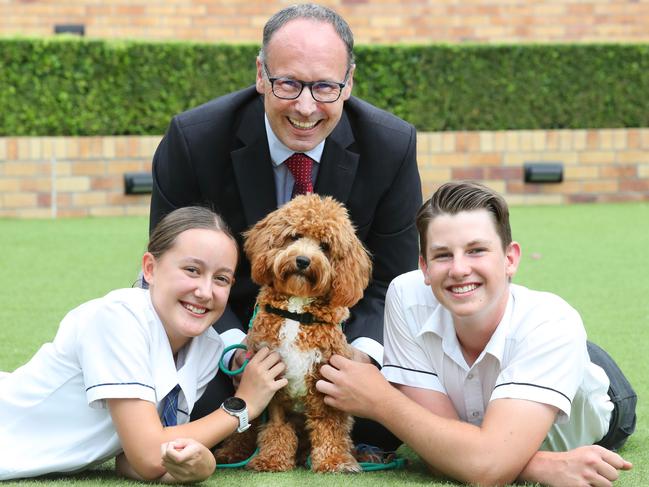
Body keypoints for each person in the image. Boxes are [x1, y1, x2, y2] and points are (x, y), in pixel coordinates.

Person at [148, 3, 422, 449]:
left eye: (325, 87)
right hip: (224, 323)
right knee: (194, 406)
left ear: (348, 83)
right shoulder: (193, 140)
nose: (306, 106)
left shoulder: (391, 145)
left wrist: (361, 360)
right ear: (260, 74)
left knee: (387, 422)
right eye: (288, 83)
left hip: (337, 338)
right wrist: (237, 348)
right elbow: (172, 266)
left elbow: (391, 279)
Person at [316, 181, 637, 486]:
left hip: (591, 392)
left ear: (510, 259)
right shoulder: (407, 295)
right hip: (503, 377)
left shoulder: (553, 323)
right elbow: (438, 453)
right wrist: (542, 465)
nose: (458, 269)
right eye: (442, 255)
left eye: (476, 250)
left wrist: (380, 399)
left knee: (550, 348)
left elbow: (484, 467)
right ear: (424, 268)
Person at [0, 206, 287, 482]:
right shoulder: (118, 318)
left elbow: (136, 459)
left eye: (221, 279)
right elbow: (149, 454)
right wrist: (242, 407)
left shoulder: (207, 346)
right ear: (150, 269)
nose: (204, 291)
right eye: (191, 270)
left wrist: (193, 467)